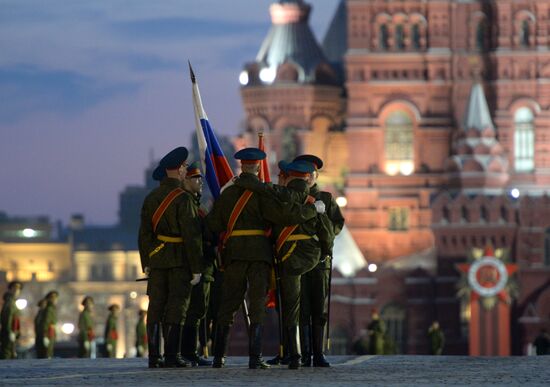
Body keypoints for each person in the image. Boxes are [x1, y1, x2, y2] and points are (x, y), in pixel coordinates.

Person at [206, 148, 322, 369]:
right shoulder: (262, 194)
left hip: (234, 254)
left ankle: (219, 357)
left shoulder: (227, 195)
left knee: (229, 303)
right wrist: (312, 211)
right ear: (258, 168)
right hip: (259, 254)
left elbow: (212, 224)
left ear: (241, 167)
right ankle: (254, 357)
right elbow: (284, 216)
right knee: (257, 303)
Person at [138, 146, 203, 368]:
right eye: (184, 166)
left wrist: (146, 262)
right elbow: (191, 235)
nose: (186, 170)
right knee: (177, 306)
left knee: (155, 307)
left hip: (157, 260)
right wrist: (196, 267)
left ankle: (154, 357)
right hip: (179, 261)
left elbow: (144, 234)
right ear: (177, 170)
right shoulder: (183, 199)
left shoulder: (151, 198)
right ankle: (172, 356)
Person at [293, 154, 345, 367]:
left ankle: (318, 353)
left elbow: (338, 224)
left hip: (320, 261)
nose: (307, 178)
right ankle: (305, 354)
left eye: (310, 174)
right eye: (303, 175)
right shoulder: (293, 197)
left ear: (315, 176)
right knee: (302, 307)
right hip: (297, 259)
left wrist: (326, 236)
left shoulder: (326, 198)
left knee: (318, 308)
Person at [179, 163, 215, 366]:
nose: (200, 182)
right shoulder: (188, 204)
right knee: (193, 310)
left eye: (200, 178)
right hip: (194, 265)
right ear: (185, 181)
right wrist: (196, 268)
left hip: (200, 264)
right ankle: (188, 352)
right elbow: (193, 238)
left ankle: (187, 351)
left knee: (197, 310)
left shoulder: (195, 204)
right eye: (195, 179)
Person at [0, 281, 23, 359]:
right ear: (10, 290)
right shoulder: (10, 302)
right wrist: (10, 332)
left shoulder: (12, 302)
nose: (16, 291)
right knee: (7, 355)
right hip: (8, 333)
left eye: (18, 289)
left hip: (11, 332)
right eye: (14, 288)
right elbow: (7, 317)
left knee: (10, 354)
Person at [38, 290, 59, 359]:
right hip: (48, 333)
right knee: (47, 353)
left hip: (50, 332)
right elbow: (46, 323)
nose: (55, 300)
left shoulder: (51, 308)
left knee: (49, 352)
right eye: (53, 298)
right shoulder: (49, 309)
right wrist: (45, 336)